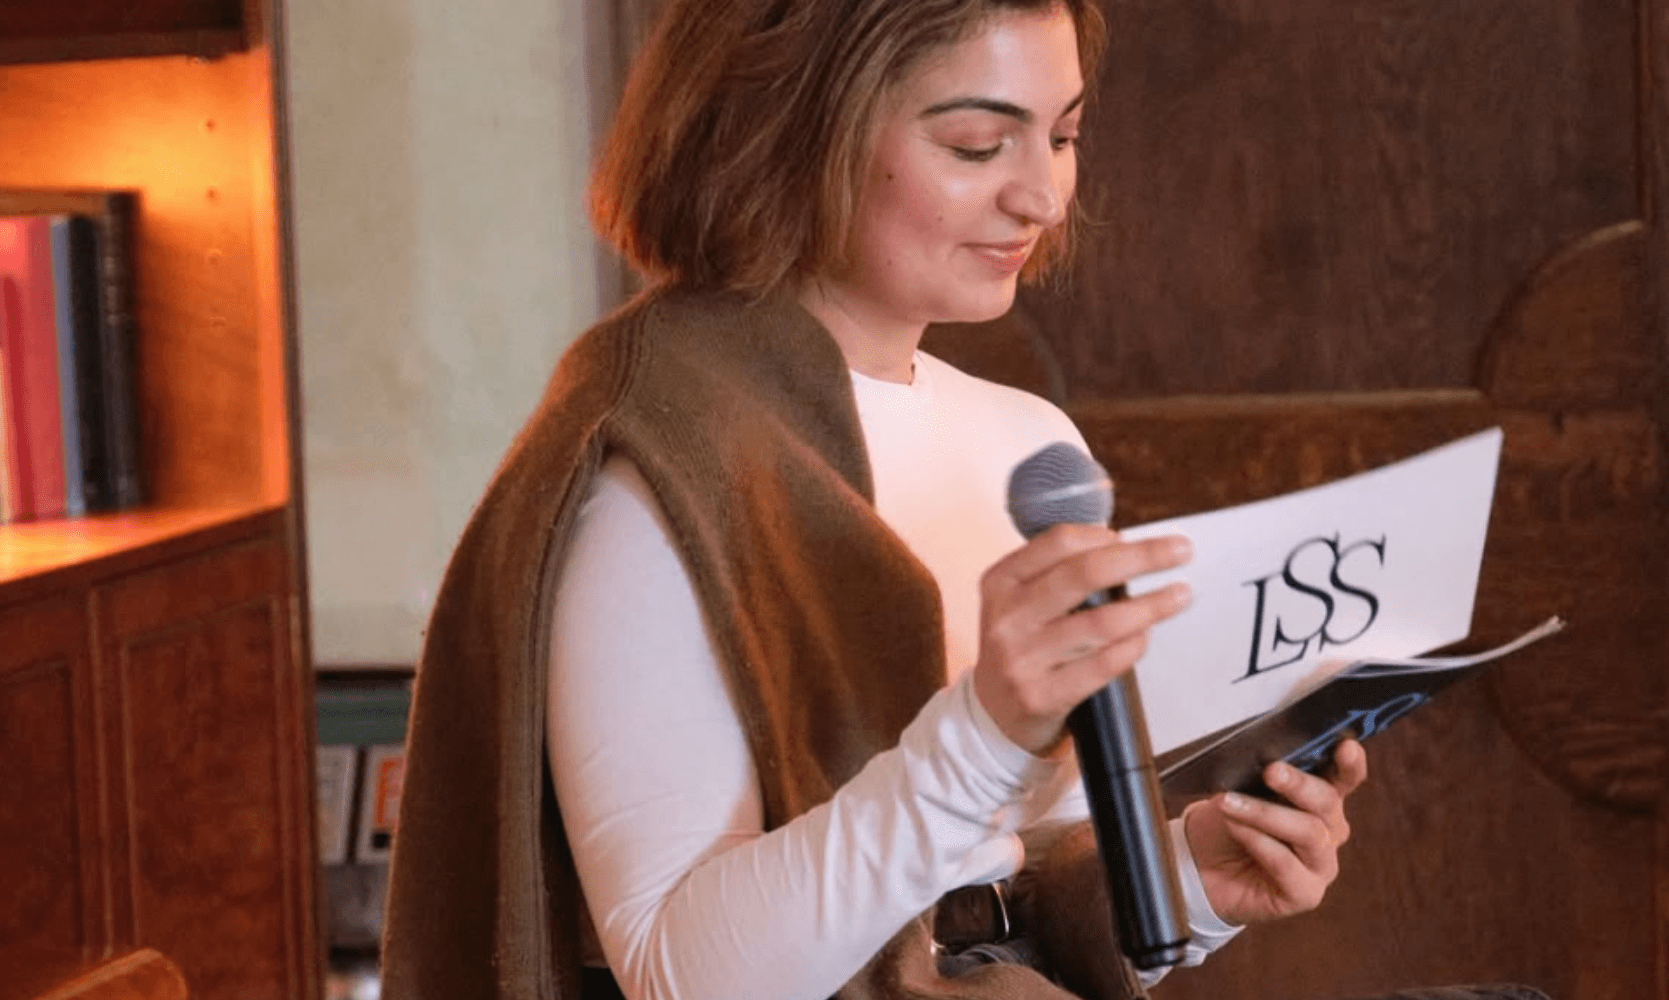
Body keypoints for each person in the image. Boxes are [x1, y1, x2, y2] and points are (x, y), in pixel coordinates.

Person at [379, 1, 1371, 998]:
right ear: (797, 130)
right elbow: (683, 974)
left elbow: (1000, 899)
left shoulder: (1031, 447)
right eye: (977, 144)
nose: (1044, 196)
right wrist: (982, 732)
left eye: (1062, 135)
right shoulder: (656, 460)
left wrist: (1186, 879)